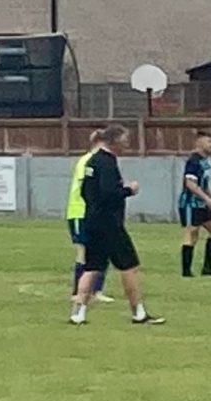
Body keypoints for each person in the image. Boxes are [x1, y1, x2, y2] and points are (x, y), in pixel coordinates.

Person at [67, 126, 160, 326]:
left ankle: (78, 312)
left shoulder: (92, 161)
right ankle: (138, 312)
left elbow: (85, 191)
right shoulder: (107, 163)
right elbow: (109, 193)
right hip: (110, 224)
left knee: (92, 267)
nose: (127, 145)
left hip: (92, 221)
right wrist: (129, 190)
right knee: (129, 266)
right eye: (124, 141)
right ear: (114, 141)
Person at [64, 142, 109, 302]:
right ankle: (78, 292)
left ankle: (96, 291)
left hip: (94, 213)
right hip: (80, 212)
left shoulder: (101, 161)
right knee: (83, 252)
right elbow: (88, 187)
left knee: (101, 250)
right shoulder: (88, 161)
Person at [177, 130, 211, 277]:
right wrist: (207, 199)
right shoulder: (193, 161)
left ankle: (207, 267)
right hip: (190, 204)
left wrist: (210, 197)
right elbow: (190, 184)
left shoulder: (205, 161)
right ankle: (186, 271)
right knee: (191, 233)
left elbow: (203, 182)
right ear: (199, 143)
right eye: (209, 141)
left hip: (202, 204)